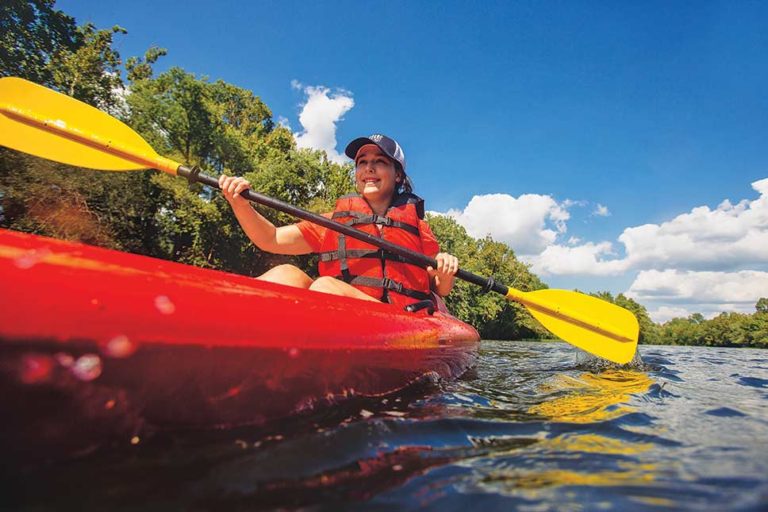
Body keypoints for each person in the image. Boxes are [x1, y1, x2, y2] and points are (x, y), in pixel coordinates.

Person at [218, 134, 459, 307]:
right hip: (339, 308)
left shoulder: (418, 228)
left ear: (398, 175)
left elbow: (438, 287)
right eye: (362, 163)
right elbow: (270, 238)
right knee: (285, 274)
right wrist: (240, 204)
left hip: (397, 317)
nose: (369, 168)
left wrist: (445, 271)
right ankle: (223, 315)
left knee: (324, 287)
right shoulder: (334, 221)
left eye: (380, 162)